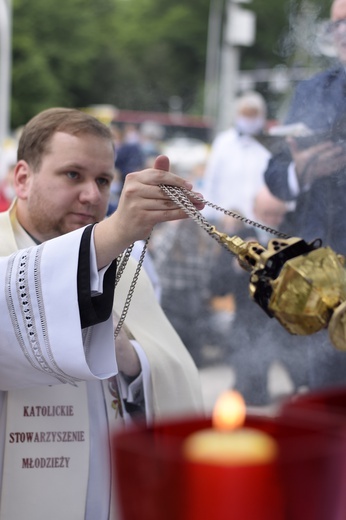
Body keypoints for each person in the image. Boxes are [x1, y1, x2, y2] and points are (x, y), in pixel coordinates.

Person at [0, 107, 205, 520]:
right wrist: (114, 232)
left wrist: (134, 363)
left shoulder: (128, 269)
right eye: (72, 175)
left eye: (103, 180)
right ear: (22, 178)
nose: (92, 195)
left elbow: (174, 371)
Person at [264, 0, 346, 391]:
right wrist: (302, 168)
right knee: (328, 396)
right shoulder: (314, 90)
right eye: (337, 24)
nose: (343, 31)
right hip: (326, 276)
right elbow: (276, 173)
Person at [208, 185, 309, 405]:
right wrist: (236, 267)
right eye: (267, 214)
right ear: (254, 211)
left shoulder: (294, 236)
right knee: (250, 396)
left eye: (278, 214)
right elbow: (215, 285)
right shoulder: (237, 240)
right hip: (249, 324)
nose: (273, 220)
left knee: (309, 385)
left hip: (289, 323)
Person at [202, 91, 271, 222]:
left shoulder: (270, 145)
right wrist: (210, 216)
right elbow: (211, 181)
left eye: (253, 115)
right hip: (225, 220)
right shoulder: (223, 142)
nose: (249, 120)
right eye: (246, 115)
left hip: (260, 223)